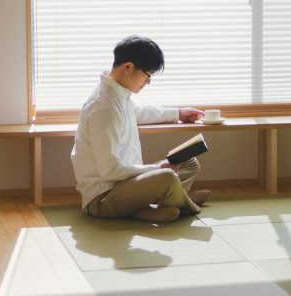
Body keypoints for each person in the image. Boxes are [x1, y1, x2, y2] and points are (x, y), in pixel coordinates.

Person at [71, 35, 210, 223]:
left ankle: (152, 207)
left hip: (126, 184)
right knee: (167, 177)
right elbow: (109, 171)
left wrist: (178, 113)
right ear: (128, 67)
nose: (148, 82)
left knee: (189, 162)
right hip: (104, 198)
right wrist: (156, 168)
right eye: (148, 75)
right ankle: (187, 204)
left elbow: (139, 113)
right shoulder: (105, 108)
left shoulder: (118, 94)